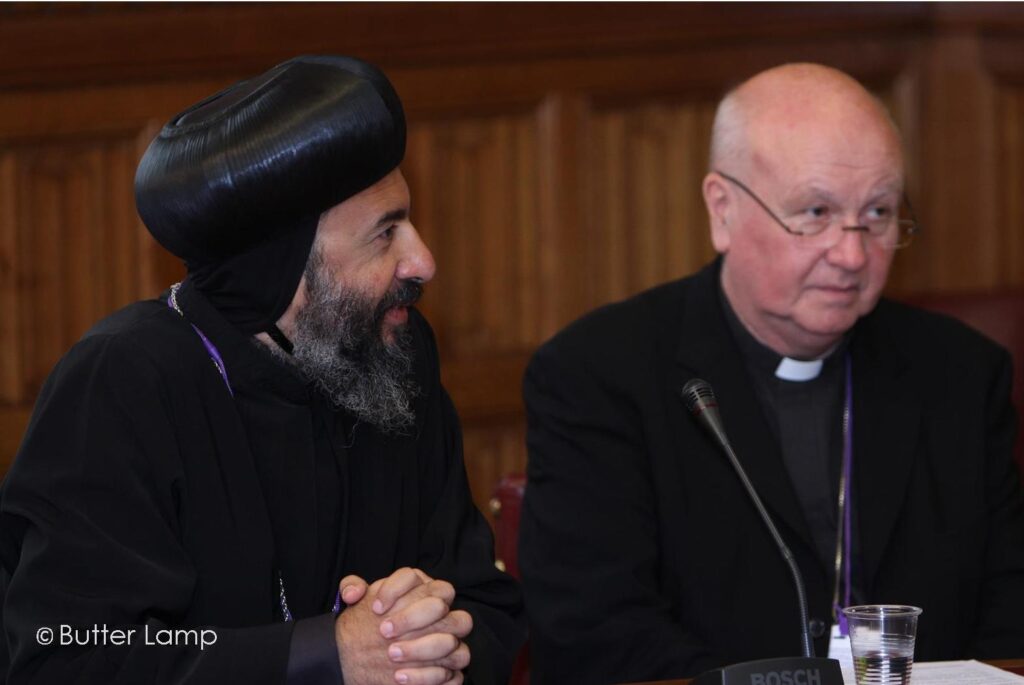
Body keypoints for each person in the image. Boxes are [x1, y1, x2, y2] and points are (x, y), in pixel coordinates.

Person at [0, 55, 524, 685]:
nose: (423, 261)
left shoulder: (392, 353)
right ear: (283, 266)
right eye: (386, 234)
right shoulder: (123, 380)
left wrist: (433, 646)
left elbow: (482, 599)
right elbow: (67, 653)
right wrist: (327, 656)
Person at [519, 63, 1024, 684]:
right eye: (815, 212)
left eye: (878, 213)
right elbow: (595, 633)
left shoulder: (961, 375)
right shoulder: (598, 375)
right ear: (723, 210)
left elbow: (1010, 616)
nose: (852, 253)